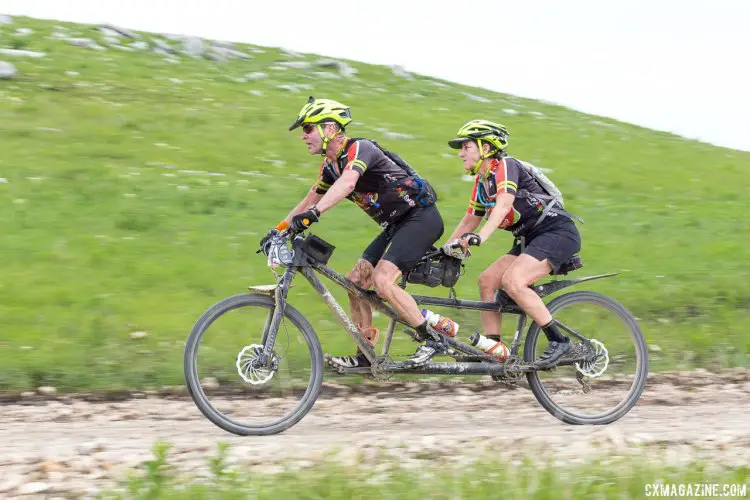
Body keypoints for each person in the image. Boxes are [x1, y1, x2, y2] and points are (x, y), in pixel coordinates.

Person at [261, 96, 446, 369]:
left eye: (308, 129)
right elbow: (309, 199)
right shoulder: (330, 166)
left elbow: (348, 184)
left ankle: (431, 339)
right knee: (355, 282)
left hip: (420, 218)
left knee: (383, 281)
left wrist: (314, 215)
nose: (303, 136)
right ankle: (365, 355)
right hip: (395, 225)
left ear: (330, 129)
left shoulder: (360, 148)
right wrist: (278, 231)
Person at [441, 119, 582, 367]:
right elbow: (469, 220)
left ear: (486, 147)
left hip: (556, 232)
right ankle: (495, 351)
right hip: (530, 239)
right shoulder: (482, 182)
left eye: (466, 146)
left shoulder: (505, 166)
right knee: (487, 280)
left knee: (513, 281)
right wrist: (444, 250)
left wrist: (481, 237)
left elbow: (504, 204)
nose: (461, 153)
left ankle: (560, 342)